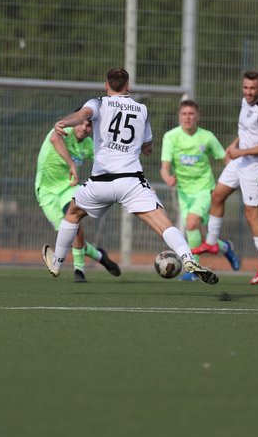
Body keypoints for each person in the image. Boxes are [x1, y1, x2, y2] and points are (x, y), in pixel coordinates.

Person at [41, 68, 219, 285]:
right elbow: (148, 147)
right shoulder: (142, 109)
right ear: (128, 86)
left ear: (107, 86)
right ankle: (188, 259)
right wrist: (144, 147)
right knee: (163, 224)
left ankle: (57, 263)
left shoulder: (99, 103)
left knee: (72, 214)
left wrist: (63, 123)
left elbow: (82, 116)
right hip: (131, 182)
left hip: (101, 182)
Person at [192, 70, 258, 285]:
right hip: (241, 160)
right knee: (217, 196)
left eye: (253, 89)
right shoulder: (245, 102)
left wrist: (242, 152)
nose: (248, 92)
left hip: (257, 167)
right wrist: (234, 145)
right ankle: (212, 242)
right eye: (245, 88)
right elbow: (247, 130)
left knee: (252, 215)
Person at [160, 99, 241, 281]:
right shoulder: (171, 137)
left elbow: (225, 160)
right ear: (179, 117)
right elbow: (164, 167)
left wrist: (237, 176)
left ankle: (193, 270)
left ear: (197, 116)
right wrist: (168, 178)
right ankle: (226, 247)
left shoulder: (207, 137)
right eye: (184, 114)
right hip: (184, 192)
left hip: (205, 189)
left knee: (191, 223)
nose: (188, 117)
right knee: (196, 232)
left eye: (191, 114)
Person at [35, 113, 120, 283]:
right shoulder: (63, 131)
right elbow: (54, 139)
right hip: (46, 191)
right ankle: (99, 256)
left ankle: (79, 270)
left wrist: (135, 181)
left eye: (88, 126)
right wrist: (71, 164)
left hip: (69, 187)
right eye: (81, 124)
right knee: (67, 237)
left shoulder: (89, 145)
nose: (84, 128)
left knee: (74, 220)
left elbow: (107, 166)